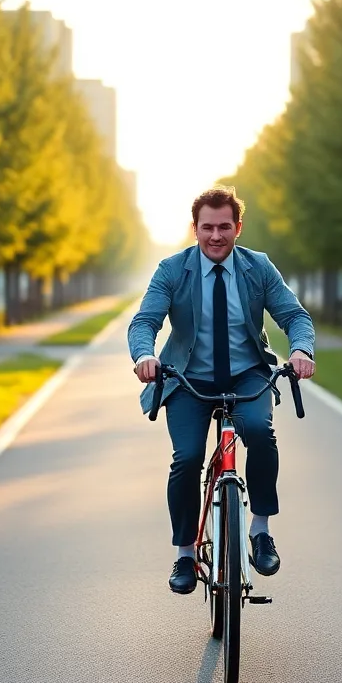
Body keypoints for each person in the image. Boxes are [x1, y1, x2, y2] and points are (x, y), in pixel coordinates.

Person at [128, 186, 316, 595]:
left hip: (247, 374)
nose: (216, 236)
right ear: (194, 228)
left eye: (224, 227)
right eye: (208, 227)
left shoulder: (257, 267)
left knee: (260, 432)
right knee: (187, 457)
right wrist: (144, 355)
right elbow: (145, 321)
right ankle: (185, 553)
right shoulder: (172, 270)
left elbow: (294, 315)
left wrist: (301, 349)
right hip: (187, 379)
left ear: (238, 228)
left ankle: (260, 530)